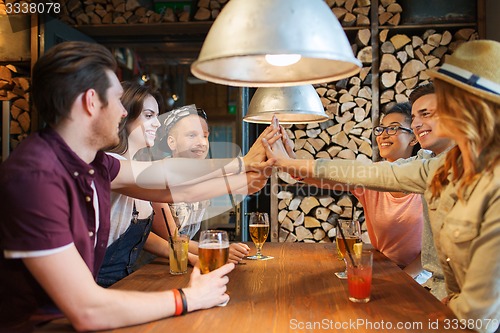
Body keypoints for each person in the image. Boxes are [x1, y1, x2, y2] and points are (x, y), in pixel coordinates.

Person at [0, 41, 276, 332]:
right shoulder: (35, 178)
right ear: (90, 102)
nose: (122, 112)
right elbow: (88, 310)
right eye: (118, 100)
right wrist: (189, 298)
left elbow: (168, 178)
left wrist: (243, 167)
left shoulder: (96, 163)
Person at [264, 40, 500, 332]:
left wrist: (435, 310)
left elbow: (479, 307)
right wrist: (292, 163)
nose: (420, 123)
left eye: (440, 107)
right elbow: (366, 172)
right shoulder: (443, 166)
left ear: (472, 110)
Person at [151, 106, 250, 264]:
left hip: (184, 261)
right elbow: (173, 239)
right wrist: (218, 250)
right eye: (192, 135)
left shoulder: (203, 175)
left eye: (205, 136)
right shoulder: (158, 177)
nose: (202, 143)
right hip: (153, 268)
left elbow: (245, 175)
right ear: (172, 142)